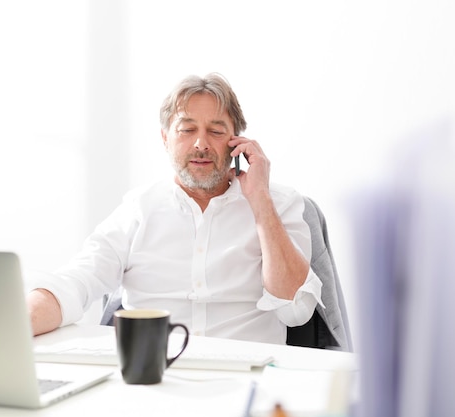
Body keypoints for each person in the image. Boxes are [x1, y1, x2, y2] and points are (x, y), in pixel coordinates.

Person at [26, 73, 323, 344]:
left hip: (249, 379)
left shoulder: (280, 204)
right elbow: (75, 282)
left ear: (237, 143)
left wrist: (260, 202)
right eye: (186, 129)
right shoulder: (138, 210)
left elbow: (295, 311)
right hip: (155, 379)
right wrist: (17, 323)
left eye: (216, 131)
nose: (200, 143)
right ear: (165, 138)